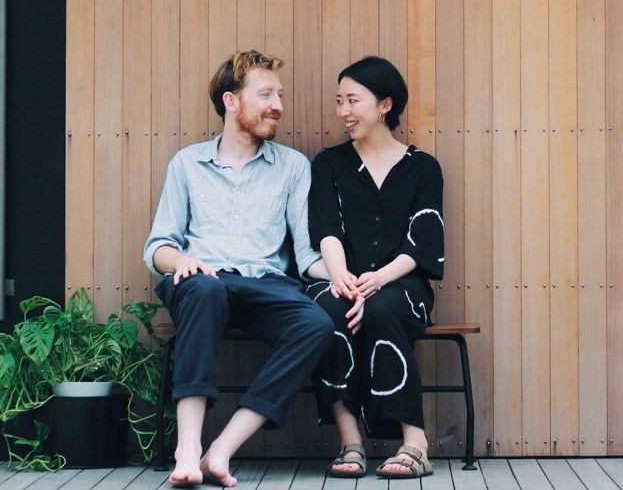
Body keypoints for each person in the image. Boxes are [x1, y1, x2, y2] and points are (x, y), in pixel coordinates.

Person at [144, 50, 335, 488]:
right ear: (231, 101)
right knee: (205, 288)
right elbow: (157, 247)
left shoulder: (293, 167)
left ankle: (221, 450)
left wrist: (347, 278)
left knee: (316, 325)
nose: (278, 106)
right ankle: (187, 448)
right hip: (202, 281)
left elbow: (306, 256)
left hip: (265, 284)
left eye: (280, 95)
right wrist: (183, 260)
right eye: (265, 94)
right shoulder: (187, 163)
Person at [307, 55, 444, 480]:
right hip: (342, 277)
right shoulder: (329, 164)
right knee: (327, 311)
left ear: (385, 105)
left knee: (384, 308)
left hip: (400, 283)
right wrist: (342, 278)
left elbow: (423, 242)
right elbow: (326, 228)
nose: (342, 112)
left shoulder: (423, 168)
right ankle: (350, 441)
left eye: (353, 100)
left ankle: (415, 444)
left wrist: (378, 280)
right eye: (339, 101)